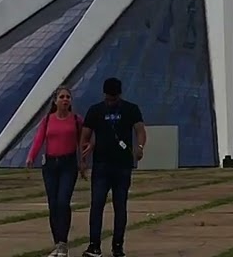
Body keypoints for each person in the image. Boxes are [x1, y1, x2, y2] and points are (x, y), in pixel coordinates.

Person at [81, 77, 145, 257]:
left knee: (120, 206)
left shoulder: (131, 109)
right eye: (109, 98)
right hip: (101, 165)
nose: (111, 101)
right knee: (97, 205)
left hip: (123, 165)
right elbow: (85, 135)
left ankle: (118, 246)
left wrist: (139, 148)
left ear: (120, 94)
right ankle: (94, 245)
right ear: (104, 95)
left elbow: (140, 130)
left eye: (114, 98)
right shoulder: (95, 111)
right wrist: (83, 160)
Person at [27, 85, 87, 257]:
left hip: (68, 164)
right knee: (53, 205)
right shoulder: (47, 120)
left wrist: (83, 160)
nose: (65, 100)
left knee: (63, 201)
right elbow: (39, 139)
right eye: (62, 97)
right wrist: (31, 156)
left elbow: (84, 140)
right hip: (51, 165)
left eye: (68, 97)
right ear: (55, 101)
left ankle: (63, 243)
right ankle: (58, 243)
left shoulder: (76, 119)